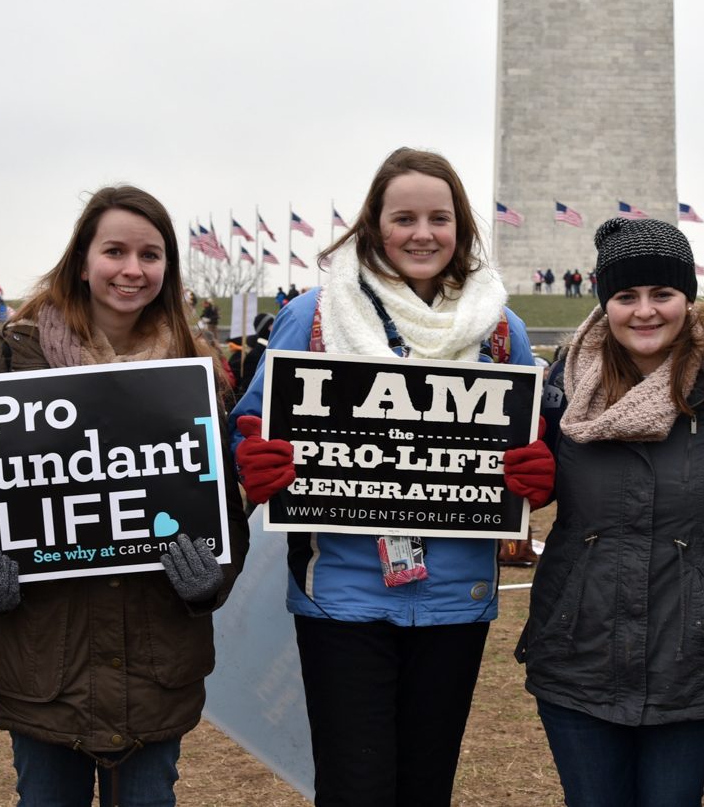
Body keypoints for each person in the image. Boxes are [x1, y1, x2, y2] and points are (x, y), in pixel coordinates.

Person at [230, 147, 550, 807]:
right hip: (341, 594)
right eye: (404, 217)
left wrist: (539, 475)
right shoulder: (314, 315)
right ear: (374, 225)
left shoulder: (500, 330)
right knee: (357, 788)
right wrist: (255, 456)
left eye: (439, 217)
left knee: (425, 790)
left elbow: (533, 438)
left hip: (457, 595)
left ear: (461, 227)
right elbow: (255, 420)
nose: (423, 233)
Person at [0, 185, 250, 807]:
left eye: (150, 255)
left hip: (155, 666)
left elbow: (224, 517)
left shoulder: (196, 374)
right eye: (115, 251)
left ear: (168, 270)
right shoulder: (11, 365)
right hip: (45, 664)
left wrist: (213, 578)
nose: (132, 269)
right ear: (82, 260)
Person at [518, 217, 704, 807]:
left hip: (691, 654)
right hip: (576, 650)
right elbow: (506, 480)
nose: (645, 311)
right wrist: (524, 484)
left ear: (686, 299)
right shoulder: (561, 385)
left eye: (661, 294)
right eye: (626, 296)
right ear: (604, 303)